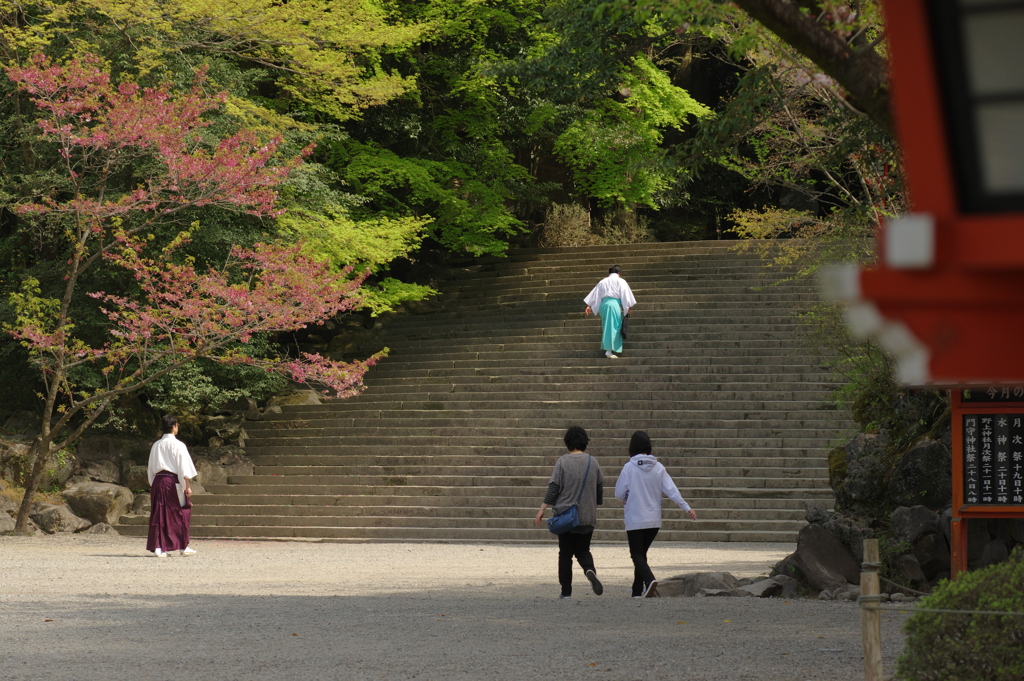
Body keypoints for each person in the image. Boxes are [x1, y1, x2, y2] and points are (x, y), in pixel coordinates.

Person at [614, 431, 697, 597]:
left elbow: (618, 492)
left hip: (635, 519)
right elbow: (671, 490)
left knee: (636, 554)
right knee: (641, 554)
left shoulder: (629, 467)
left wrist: (624, 498)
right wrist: (686, 507)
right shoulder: (659, 468)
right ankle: (638, 590)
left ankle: (649, 579)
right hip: (653, 520)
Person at [534, 426, 605, 598]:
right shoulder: (593, 462)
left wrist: (542, 509)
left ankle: (566, 592)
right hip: (587, 516)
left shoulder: (563, 462)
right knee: (583, 550)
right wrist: (594, 504)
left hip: (565, 516)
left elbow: (554, 488)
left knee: (565, 553)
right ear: (584, 442)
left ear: (567, 443)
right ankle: (589, 570)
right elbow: (600, 487)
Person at [146, 414, 199, 557]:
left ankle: (159, 547)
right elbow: (184, 468)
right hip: (172, 481)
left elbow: (151, 468)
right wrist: (187, 486)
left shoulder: (156, 445)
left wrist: (154, 484)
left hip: (158, 481)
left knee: (159, 513)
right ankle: (182, 545)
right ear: (174, 426)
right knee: (180, 512)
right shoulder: (178, 445)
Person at [584, 264, 636, 359]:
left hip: (603, 305)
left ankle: (610, 349)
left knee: (608, 326)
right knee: (612, 327)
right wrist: (627, 307)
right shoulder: (621, 281)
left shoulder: (603, 281)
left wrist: (590, 306)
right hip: (613, 305)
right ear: (619, 273)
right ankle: (608, 350)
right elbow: (625, 295)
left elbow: (596, 295)